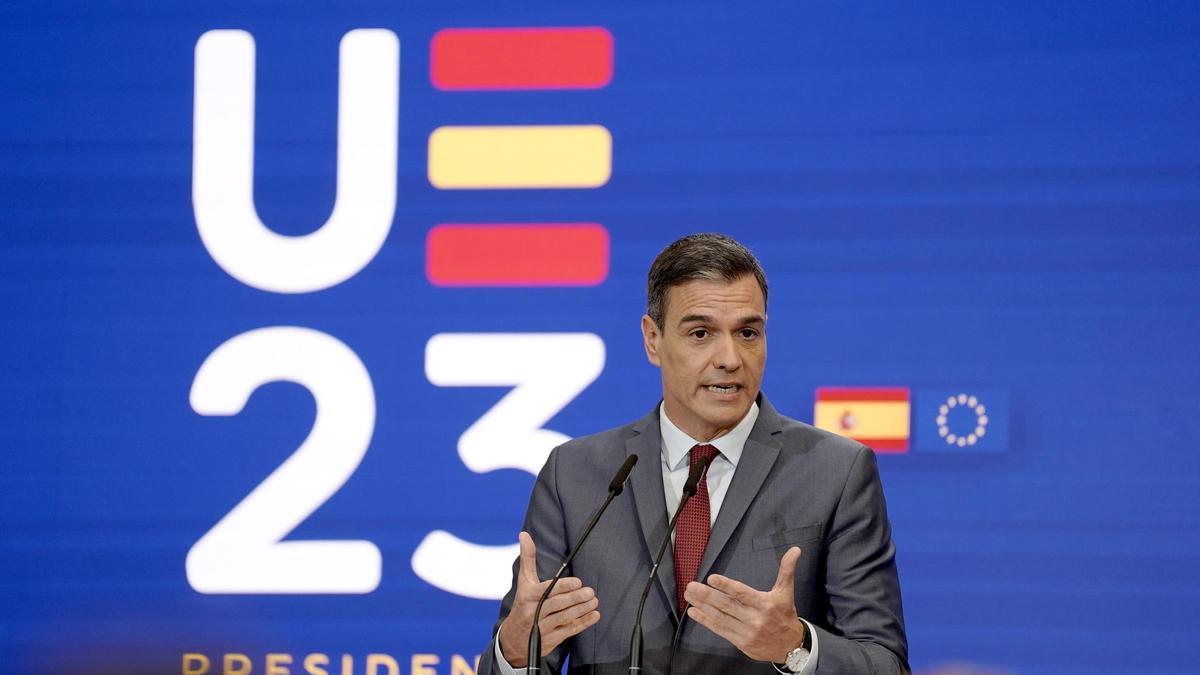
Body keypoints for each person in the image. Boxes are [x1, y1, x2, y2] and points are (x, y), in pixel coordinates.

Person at [477, 234, 908, 674]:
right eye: (701, 333)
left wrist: (796, 647)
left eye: (747, 333)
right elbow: (522, 659)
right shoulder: (575, 475)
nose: (730, 358)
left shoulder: (834, 471)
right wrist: (514, 649)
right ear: (652, 340)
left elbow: (885, 664)